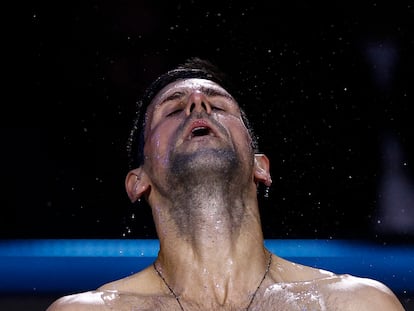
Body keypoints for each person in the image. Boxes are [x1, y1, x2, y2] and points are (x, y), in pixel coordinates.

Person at [47, 57, 404, 310]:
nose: (198, 104)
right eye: (172, 110)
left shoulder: (356, 303)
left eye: (218, 107)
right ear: (139, 181)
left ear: (260, 167)